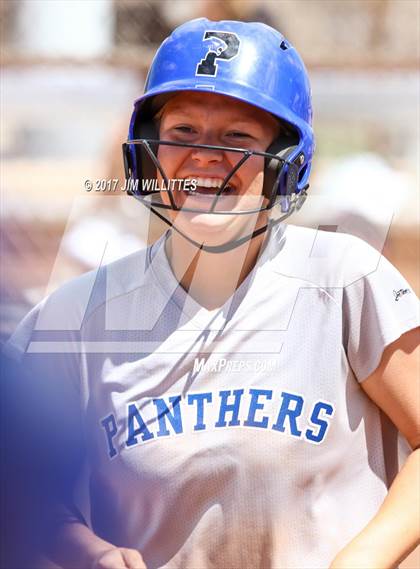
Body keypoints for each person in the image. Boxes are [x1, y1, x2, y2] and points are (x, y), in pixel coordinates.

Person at [4, 18, 419, 569]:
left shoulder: (343, 279)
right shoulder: (78, 313)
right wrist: (85, 549)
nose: (205, 157)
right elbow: (19, 483)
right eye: (182, 133)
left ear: (287, 164)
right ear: (148, 152)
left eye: (238, 138)